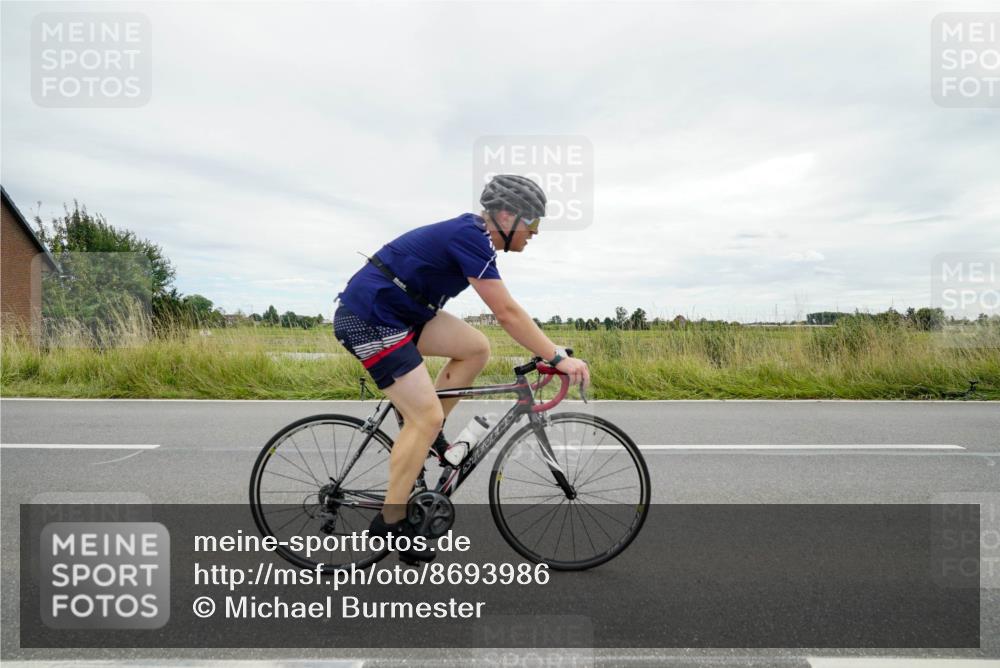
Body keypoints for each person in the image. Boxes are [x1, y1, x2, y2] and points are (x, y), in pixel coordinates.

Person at [333, 174, 590, 563]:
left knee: (475, 348)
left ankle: (427, 435)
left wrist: (549, 350)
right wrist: (556, 356)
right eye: (532, 223)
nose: (535, 233)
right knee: (426, 416)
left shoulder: (474, 236)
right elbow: (506, 312)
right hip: (371, 316)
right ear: (505, 216)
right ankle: (391, 523)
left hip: (403, 312)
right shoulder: (470, 236)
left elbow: (507, 315)